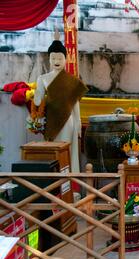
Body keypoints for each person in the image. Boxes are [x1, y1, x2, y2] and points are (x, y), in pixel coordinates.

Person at [33, 35, 88, 173]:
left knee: (66, 151)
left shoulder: (71, 81)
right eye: (53, 58)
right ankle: (54, 184)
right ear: (49, 59)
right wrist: (37, 101)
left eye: (59, 58)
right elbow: (37, 99)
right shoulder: (43, 78)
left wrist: (78, 123)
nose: (56, 61)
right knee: (52, 152)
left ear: (66, 59)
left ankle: (68, 186)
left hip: (67, 121)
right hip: (50, 120)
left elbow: (75, 104)